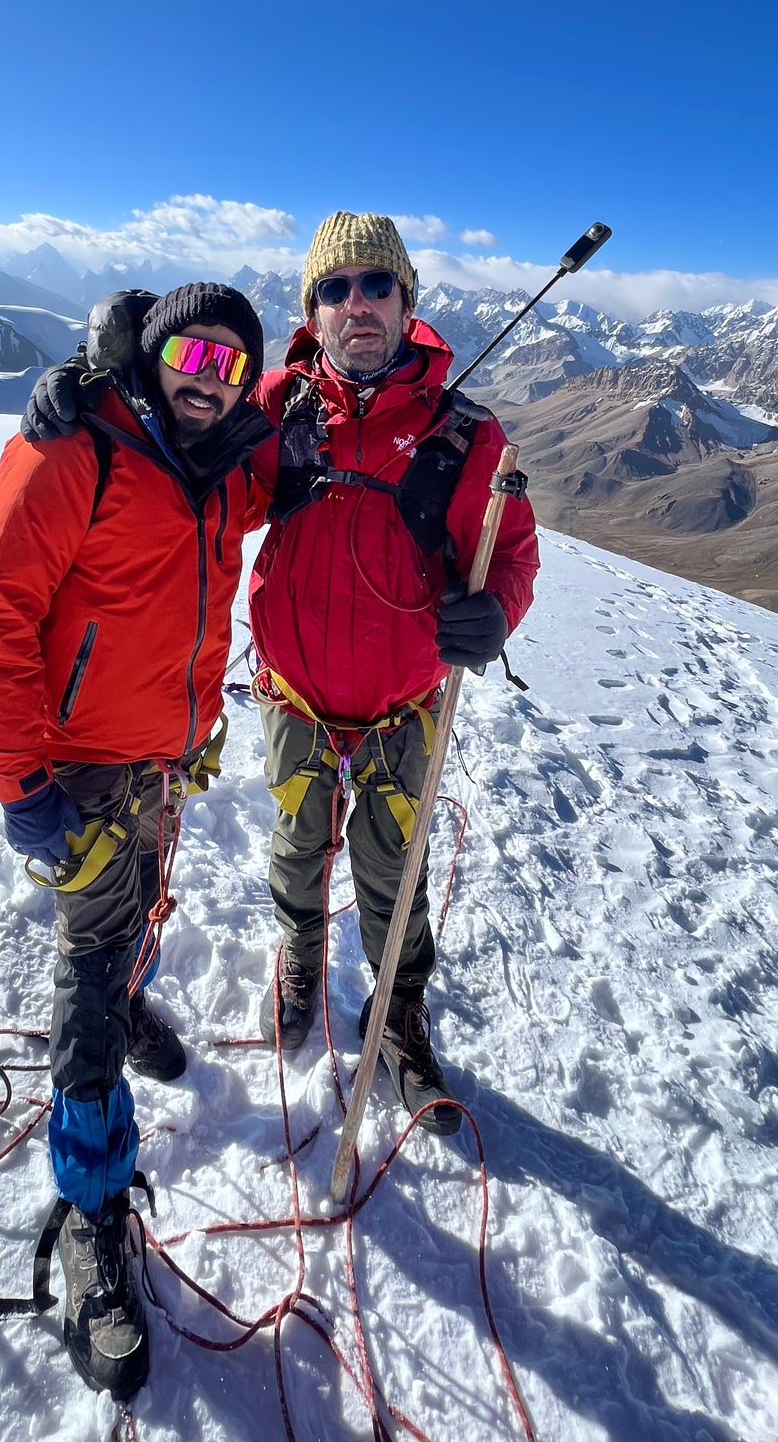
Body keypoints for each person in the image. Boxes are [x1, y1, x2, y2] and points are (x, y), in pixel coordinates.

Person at [0, 282, 270, 1403]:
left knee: (133, 914)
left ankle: (124, 998)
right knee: (89, 967)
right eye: (190, 352)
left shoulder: (228, 456)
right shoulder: (70, 449)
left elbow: (300, 418)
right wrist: (22, 782)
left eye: (234, 365)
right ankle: (92, 1215)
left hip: (159, 758)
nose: (210, 378)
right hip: (80, 767)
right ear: (147, 349)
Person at [247, 212, 538, 1132]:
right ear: (313, 311)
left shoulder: (465, 438)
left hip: (399, 709)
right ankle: (299, 949)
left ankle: (398, 1008)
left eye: (375, 285)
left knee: (390, 866)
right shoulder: (276, 411)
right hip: (293, 692)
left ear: (407, 303)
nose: (355, 304)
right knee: (300, 840)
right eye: (334, 289)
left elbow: (511, 556)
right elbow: (182, 430)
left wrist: (497, 610)